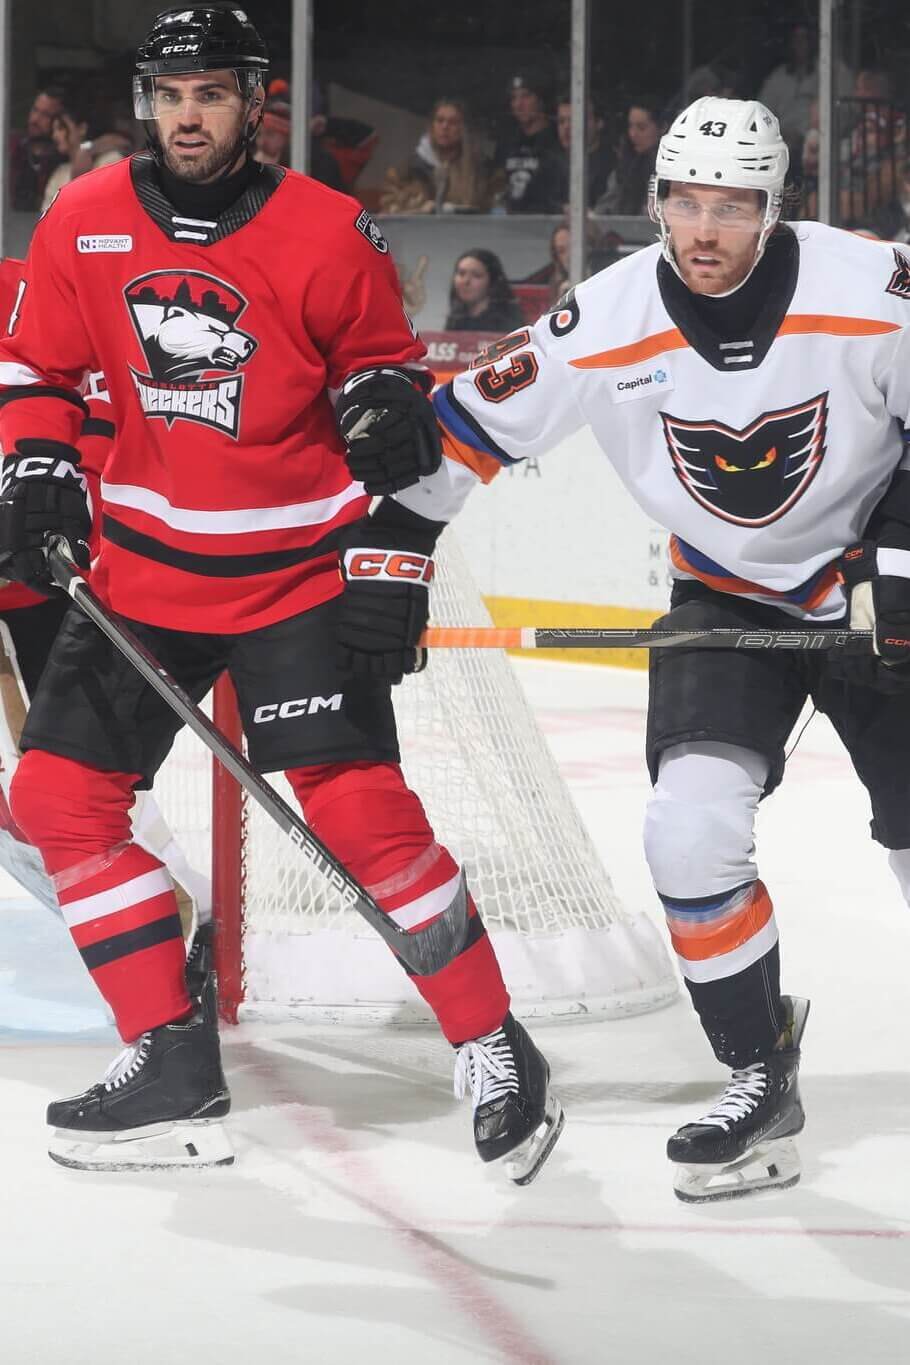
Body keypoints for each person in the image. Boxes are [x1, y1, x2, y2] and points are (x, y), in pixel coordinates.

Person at [0, 4, 563, 1184]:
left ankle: (492, 1042)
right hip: (143, 575)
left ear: (254, 103)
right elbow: (41, 366)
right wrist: (38, 459)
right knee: (57, 802)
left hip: (297, 578)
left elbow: (379, 368)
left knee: (361, 819)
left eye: (210, 95)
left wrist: (382, 409)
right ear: (146, 106)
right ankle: (168, 1056)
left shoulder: (326, 227)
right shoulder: (82, 218)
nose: (187, 117)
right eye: (169, 96)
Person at [427, 93, 910, 1202]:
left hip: (874, 594)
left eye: (731, 207)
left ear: (775, 209)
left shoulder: (871, 287)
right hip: (722, 597)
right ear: (654, 203)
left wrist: (898, 555)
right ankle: (756, 1073)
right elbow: (461, 429)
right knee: (687, 835)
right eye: (684, 203)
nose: (703, 230)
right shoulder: (605, 316)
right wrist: (382, 545)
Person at [380, 97, 492, 214]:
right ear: (432, 126)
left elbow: (494, 211)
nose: (445, 126)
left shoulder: (482, 170)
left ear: (463, 129)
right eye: (439, 120)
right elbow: (387, 208)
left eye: (453, 122)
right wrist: (420, 209)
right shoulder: (409, 168)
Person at [492, 74, 560, 214]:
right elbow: (496, 188)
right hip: (511, 221)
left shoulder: (557, 139)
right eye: (514, 98)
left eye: (525, 96)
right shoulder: (507, 143)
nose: (518, 104)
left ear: (541, 100)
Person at [594, 98, 662, 216]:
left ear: (662, 128)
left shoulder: (674, 171)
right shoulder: (623, 169)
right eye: (630, 126)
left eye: (641, 127)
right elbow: (604, 210)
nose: (632, 134)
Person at [9, 85, 67, 211]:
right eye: (35, 110)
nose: (35, 119)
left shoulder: (62, 157)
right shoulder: (11, 147)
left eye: (45, 115)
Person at [444, 248, 523, 333]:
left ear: (492, 282)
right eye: (461, 274)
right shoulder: (456, 319)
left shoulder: (508, 318)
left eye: (476, 275)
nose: (466, 281)